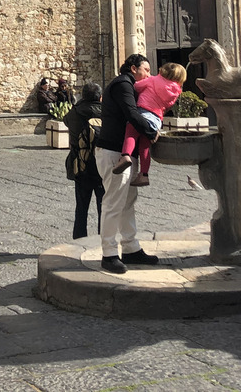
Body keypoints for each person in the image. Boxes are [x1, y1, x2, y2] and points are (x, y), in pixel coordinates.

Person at [93, 53, 160, 274]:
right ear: (133, 68)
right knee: (113, 203)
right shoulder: (123, 84)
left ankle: (131, 248)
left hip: (123, 153)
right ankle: (109, 254)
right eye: (146, 70)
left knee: (128, 201)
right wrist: (151, 130)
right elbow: (131, 113)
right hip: (113, 151)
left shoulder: (128, 85)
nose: (149, 75)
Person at [113, 62, 185, 188]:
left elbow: (136, 86)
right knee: (145, 147)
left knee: (131, 132)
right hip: (156, 119)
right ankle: (144, 175)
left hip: (143, 112)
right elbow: (168, 106)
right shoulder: (176, 91)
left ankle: (125, 156)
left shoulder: (153, 80)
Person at [65, 82, 104, 239]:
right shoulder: (107, 112)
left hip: (80, 164)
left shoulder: (74, 113)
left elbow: (65, 120)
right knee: (104, 207)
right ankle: (104, 240)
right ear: (100, 97)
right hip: (102, 164)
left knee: (81, 207)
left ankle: (79, 240)